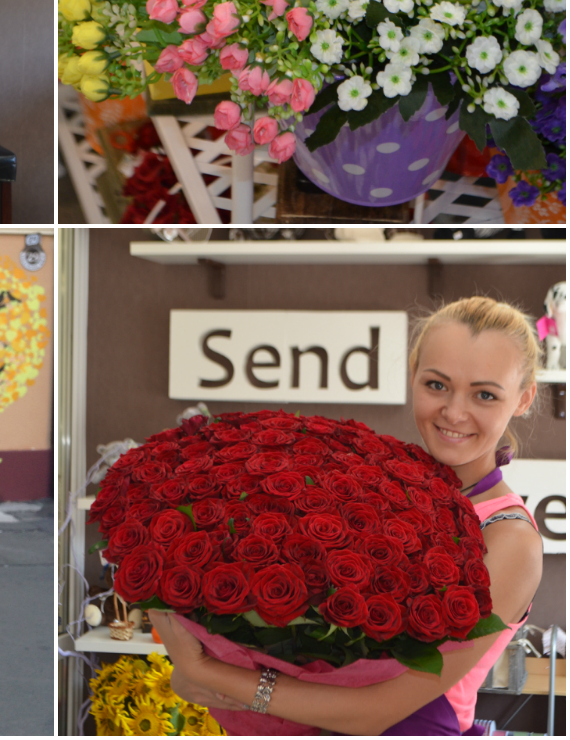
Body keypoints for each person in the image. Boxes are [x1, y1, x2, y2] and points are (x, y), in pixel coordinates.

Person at [151, 296, 544, 736]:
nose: (454, 411)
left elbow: (378, 711)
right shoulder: (375, 484)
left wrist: (203, 673)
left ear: (524, 398)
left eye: (485, 394)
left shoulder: (511, 541)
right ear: (413, 374)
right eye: (436, 385)